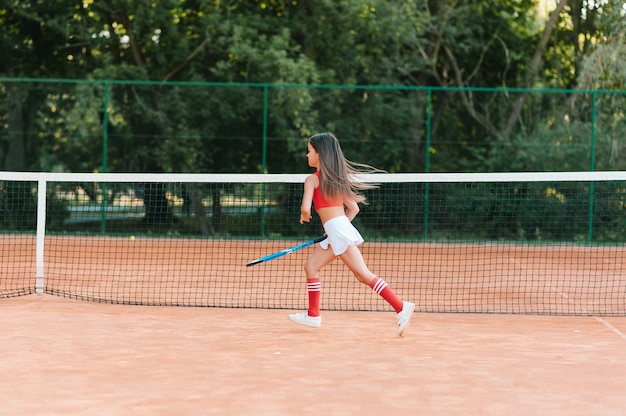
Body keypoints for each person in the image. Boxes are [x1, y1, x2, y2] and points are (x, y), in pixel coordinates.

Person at [288, 132, 415, 336]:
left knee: (363, 274)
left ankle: (401, 307)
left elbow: (305, 209)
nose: (307, 155)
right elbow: (353, 209)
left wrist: (308, 217)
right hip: (338, 230)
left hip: (337, 231)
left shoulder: (312, 180)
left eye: (310, 151)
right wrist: (336, 230)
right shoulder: (336, 180)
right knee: (311, 266)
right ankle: (313, 315)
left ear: (320, 154)